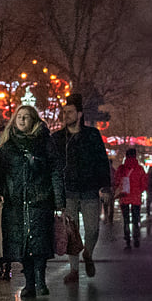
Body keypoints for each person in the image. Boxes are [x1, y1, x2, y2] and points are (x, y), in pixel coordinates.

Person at [0, 104, 62, 297]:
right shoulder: (7, 146)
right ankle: (29, 282)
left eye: (26, 117)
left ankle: (40, 279)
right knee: (21, 245)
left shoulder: (45, 143)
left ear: (34, 120)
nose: (22, 120)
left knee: (39, 243)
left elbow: (55, 170)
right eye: (19, 116)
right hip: (15, 203)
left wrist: (58, 199)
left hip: (40, 199)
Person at [52, 93, 112, 283]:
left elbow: (102, 162)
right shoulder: (58, 138)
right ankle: (74, 270)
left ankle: (88, 253)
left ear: (79, 114)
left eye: (69, 112)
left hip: (89, 190)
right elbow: (52, 165)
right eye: (63, 112)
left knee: (93, 229)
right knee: (71, 232)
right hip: (68, 192)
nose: (65, 116)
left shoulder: (92, 136)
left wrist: (105, 188)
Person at [114, 148, 148, 249]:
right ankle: (136, 238)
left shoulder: (121, 168)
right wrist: (138, 191)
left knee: (126, 220)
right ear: (135, 156)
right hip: (136, 198)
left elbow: (116, 181)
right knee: (135, 219)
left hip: (124, 197)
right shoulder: (140, 169)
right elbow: (144, 183)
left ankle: (127, 240)